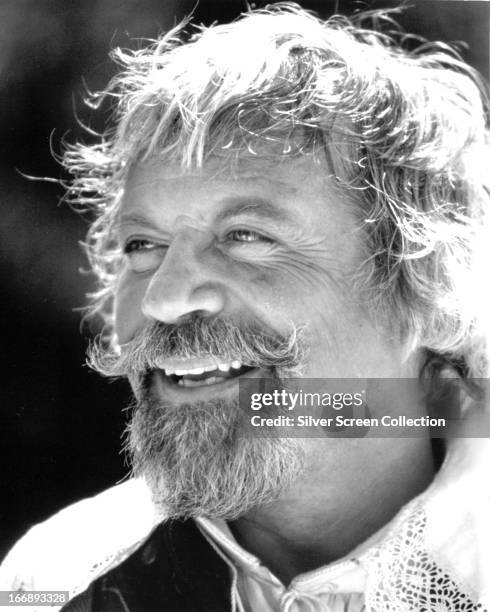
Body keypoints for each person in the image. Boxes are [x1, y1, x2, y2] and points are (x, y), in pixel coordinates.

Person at [2, 3, 490, 610]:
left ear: (432, 284)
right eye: (143, 246)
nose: (165, 298)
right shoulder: (49, 582)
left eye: (247, 236)